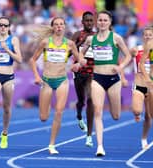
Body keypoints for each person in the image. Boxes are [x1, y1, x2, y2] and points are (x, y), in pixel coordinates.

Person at [29, 17, 85, 154]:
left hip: (62, 80)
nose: (59, 26)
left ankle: (52, 145)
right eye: (56, 24)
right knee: (43, 117)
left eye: (61, 24)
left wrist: (78, 64)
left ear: (64, 27)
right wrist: (36, 76)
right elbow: (32, 60)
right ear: (53, 27)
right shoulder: (45, 42)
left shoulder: (70, 44)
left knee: (59, 112)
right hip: (47, 80)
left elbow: (80, 60)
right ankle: (46, 105)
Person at [79, 10, 131, 156]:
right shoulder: (90, 40)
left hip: (113, 80)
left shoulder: (116, 38)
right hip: (97, 79)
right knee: (97, 111)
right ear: (97, 22)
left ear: (110, 22)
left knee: (116, 116)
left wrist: (120, 67)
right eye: (100, 20)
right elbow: (81, 54)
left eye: (105, 20)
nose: (102, 22)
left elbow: (127, 56)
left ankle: (114, 115)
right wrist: (80, 61)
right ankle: (100, 146)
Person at [0, 16, 22, 149]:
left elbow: (19, 59)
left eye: (5, 25)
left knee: (7, 108)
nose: (2, 27)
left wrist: (7, 49)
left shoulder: (13, 40)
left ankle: (5, 134)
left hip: (8, 76)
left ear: (9, 27)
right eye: (0, 24)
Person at [71, 11, 95, 147]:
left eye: (91, 20)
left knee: (91, 98)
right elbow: (69, 50)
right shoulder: (77, 35)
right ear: (82, 22)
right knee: (81, 100)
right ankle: (79, 115)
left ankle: (89, 136)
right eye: (87, 20)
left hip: (92, 72)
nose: (89, 23)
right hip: (79, 73)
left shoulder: (98, 36)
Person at [131, 26, 153, 149]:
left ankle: (144, 138)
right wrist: (122, 74)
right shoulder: (136, 50)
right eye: (146, 34)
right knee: (137, 110)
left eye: (150, 35)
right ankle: (136, 113)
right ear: (142, 36)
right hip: (139, 84)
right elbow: (126, 60)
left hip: (151, 87)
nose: (148, 37)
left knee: (148, 116)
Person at [139, 26, 153, 148]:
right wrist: (147, 77)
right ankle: (144, 138)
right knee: (149, 114)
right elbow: (141, 63)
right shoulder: (150, 45)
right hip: (151, 82)